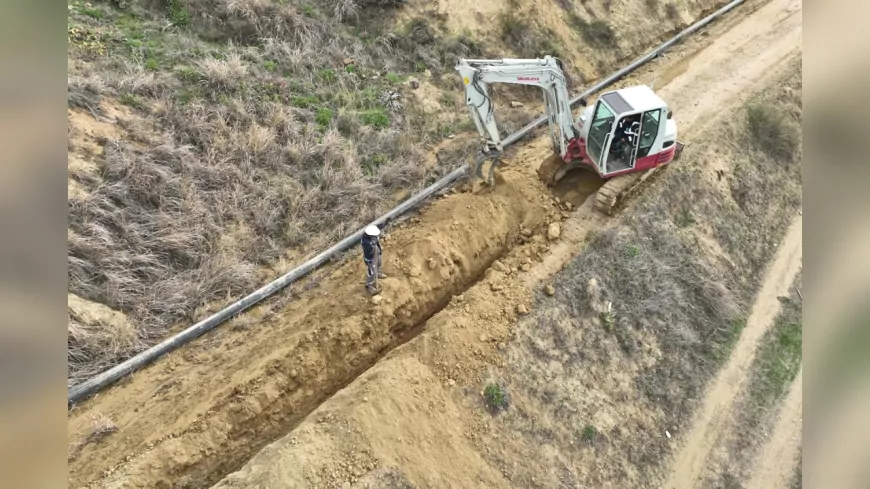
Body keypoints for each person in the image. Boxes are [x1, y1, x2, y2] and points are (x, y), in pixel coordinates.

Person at [361, 224, 387, 294]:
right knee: (372, 272)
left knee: (379, 263)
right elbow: (370, 251)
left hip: (377, 254)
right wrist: (372, 244)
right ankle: (369, 285)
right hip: (370, 258)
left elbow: (379, 228)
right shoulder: (365, 242)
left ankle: (377, 273)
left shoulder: (373, 235)